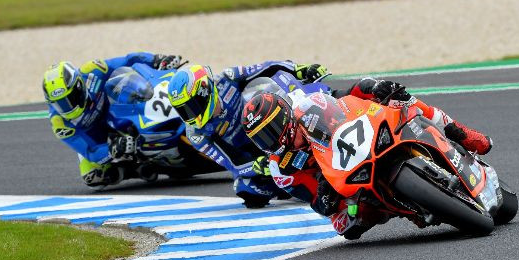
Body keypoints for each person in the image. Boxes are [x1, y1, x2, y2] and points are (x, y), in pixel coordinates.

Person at [241, 77, 492, 238]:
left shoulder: (304, 101)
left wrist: (374, 87)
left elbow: (347, 93)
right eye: (263, 138)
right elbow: (314, 201)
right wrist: (325, 198)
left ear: (285, 114)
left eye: (272, 130)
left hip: (360, 133)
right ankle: (411, 207)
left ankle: (461, 133)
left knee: (403, 101)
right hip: (340, 179)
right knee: (347, 224)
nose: (272, 140)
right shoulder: (281, 169)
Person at [166, 61, 329, 208]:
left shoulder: (227, 78)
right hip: (255, 153)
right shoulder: (196, 134)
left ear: (204, 90)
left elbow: (268, 68)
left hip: (271, 123)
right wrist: (257, 165)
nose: (190, 114)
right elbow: (233, 163)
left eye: (192, 106)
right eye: (184, 110)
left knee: (274, 90)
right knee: (247, 189)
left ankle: (326, 119)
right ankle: (297, 184)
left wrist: (298, 70)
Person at [42, 53, 183, 189]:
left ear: (79, 85)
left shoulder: (92, 70)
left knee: (127, 80)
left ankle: (168, 104)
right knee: (92, 176)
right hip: (98, 137)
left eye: (70, 99)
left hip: (115, 108)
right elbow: (90, 151)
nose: (67, 107)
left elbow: (128, 60)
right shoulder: (60, 124)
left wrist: (157, 59)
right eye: (60, 104)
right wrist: (112, 150)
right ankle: (137, 168)